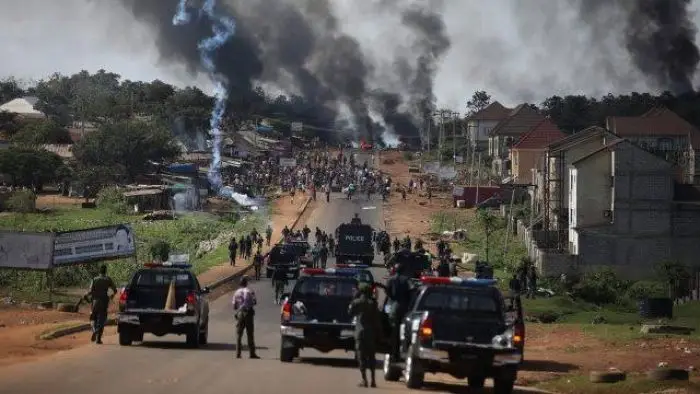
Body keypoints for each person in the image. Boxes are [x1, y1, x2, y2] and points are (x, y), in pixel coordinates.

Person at [348, 283, 381, 388]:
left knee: (361, 357)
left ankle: (364, 380)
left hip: (360, 332)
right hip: (370, 333)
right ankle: (373, 380)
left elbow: (349, 312)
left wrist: (354, 297)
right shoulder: (373, 303)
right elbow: (377, 319)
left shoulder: (357, 302)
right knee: (371, 357)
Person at [384, 261, 412, 361]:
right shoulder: (406, 280)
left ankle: (393, 353)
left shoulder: (390, 280)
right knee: (404, 331)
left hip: (393, 307)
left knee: (393, 331)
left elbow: (387, 291)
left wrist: (392, 298)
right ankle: (402, 352)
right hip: (404, 308)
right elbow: (410, 293)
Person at [83, 265, 117, 344]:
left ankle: (95, 330)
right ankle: (98, 339)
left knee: (92, 318)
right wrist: (111, 296)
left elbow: (90, 291)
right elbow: (115, 290)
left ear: (99, 271)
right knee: (101, 320)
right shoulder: (108, 279)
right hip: (104, 301)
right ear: (106, 271)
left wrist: (86, 295)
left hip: (95, 302)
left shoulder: (94, 279)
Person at [232, 276, 259, 359]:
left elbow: (234, 306)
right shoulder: (250, 291)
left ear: (240, 284)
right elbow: (254, 302)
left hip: (240, 313)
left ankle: (238, 353)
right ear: (246, 283)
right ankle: (252, 353)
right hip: (248, 313)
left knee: (239, 334)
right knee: (250, 333)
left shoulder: (236, 292)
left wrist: (239, 307)